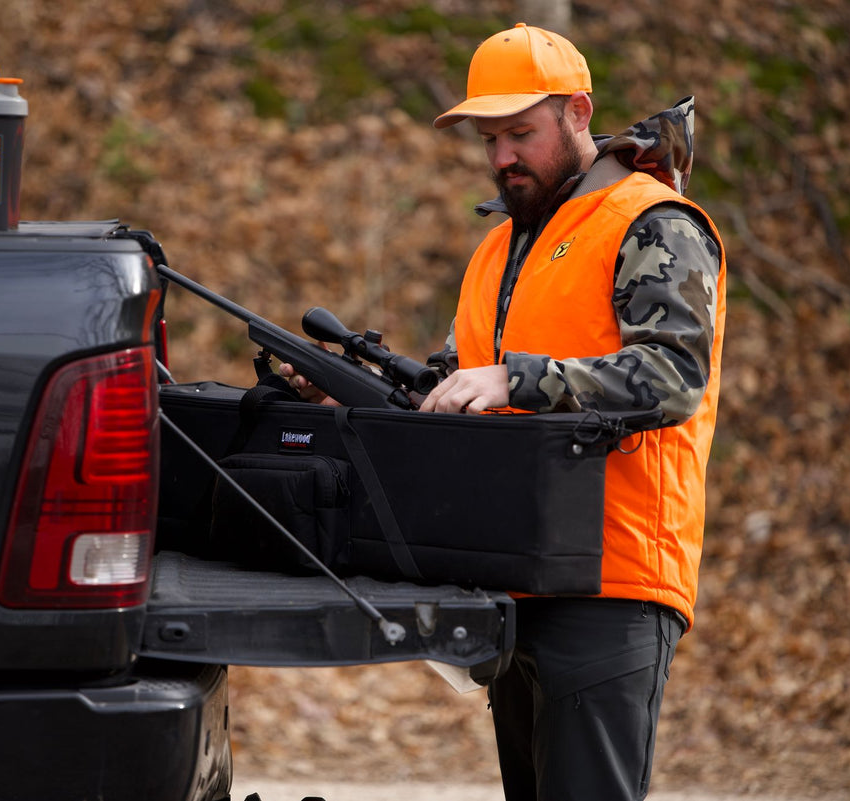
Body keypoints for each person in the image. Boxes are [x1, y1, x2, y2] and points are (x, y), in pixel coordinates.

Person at [281, 21, 725, 801]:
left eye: (520, 132)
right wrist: (336, 388)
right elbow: (451, 392)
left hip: (611, 580)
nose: (502, 157)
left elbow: (672, 376)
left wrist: (517, 382)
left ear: (579, 113)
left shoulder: (652, 223)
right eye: (490, 139)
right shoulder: (500, 247)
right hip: (511, 578)